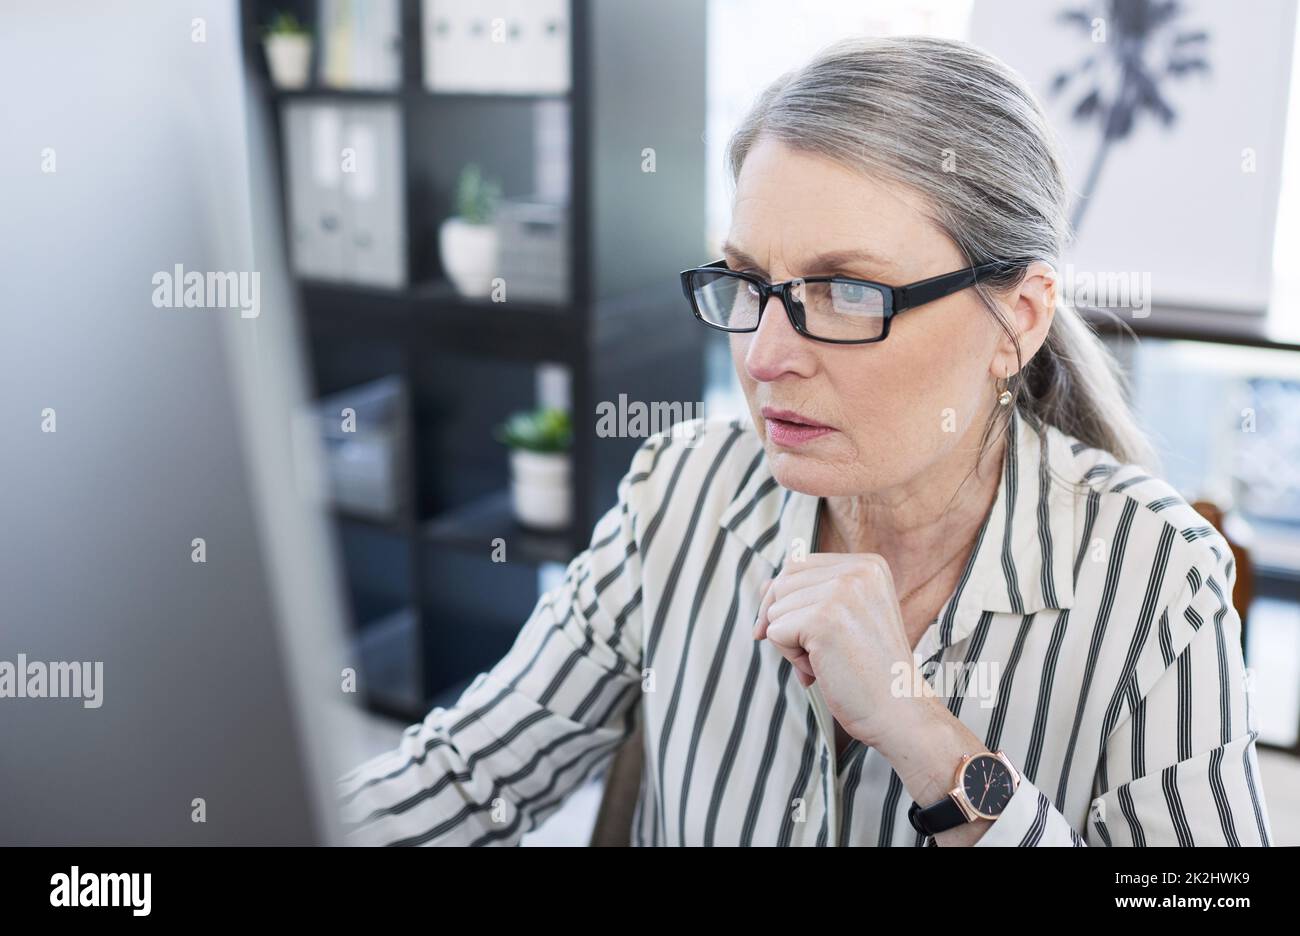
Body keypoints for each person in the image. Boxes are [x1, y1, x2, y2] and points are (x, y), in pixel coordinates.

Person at [337, 35, 1272, 846]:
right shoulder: (683, 494)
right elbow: (471, 776)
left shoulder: (1155, 574)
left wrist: (922, 734)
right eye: (748, 282)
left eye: (848, 292)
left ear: (1018, 319)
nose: (764, 354)